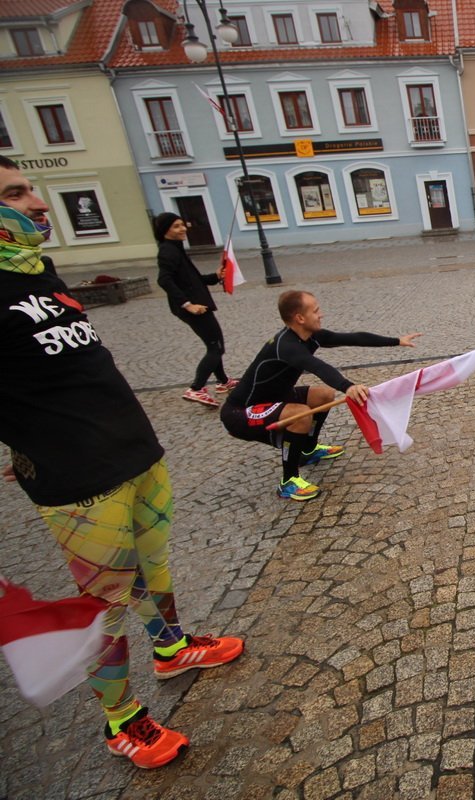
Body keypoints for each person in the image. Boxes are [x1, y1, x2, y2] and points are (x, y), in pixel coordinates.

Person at [0, 155, 243, 769]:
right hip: (77, 475)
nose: (36, 202)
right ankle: (122, 719)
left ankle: (170, 647)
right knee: (105, 601)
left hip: (135, 450)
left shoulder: (39, 270)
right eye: (16, 193)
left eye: (29, 187)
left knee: (153, 569)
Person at [221, 290, 422, 500]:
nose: (321, 314)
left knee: (324, 396)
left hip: (275, 399)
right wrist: (348, 386)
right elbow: (317, 366)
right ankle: (289, 481)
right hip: (240, 412)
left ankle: (307, 450)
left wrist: (396, 340)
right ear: (300, 318)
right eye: (315, 311)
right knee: (301, 415)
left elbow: (352, 338)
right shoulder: (287, 345)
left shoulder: (311, 336)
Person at [154, 212, 236, 408]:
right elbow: (164, 280)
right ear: (165, 230)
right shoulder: (168, 251)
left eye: (182, 224)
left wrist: (215, 276)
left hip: (198, 304)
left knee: (213, 345)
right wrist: (188, 305)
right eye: (176, 226)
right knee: (216, 348)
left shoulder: (176, 248)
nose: (182, 229)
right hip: (194, 308)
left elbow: (192, 279)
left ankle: (223, 381)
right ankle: (196, 388)